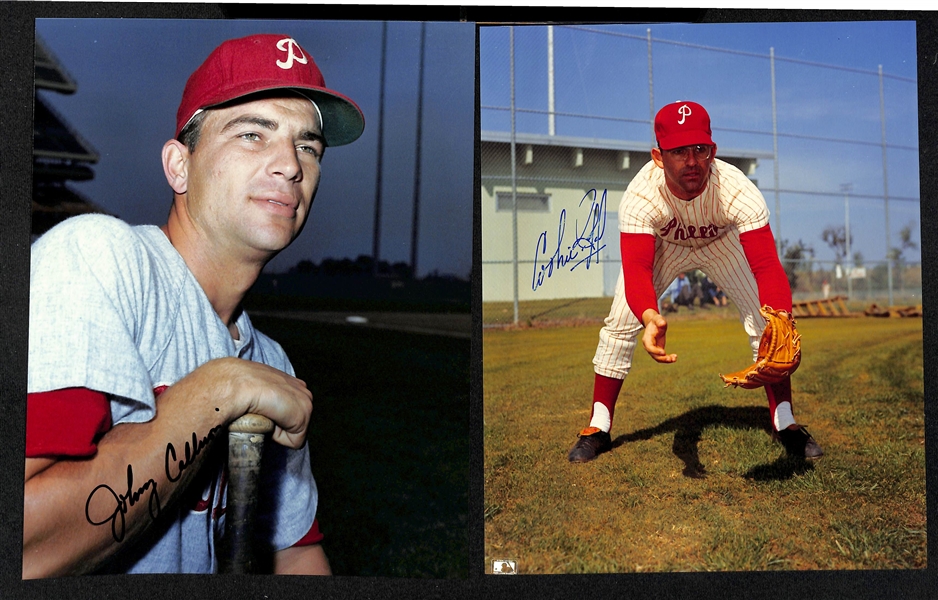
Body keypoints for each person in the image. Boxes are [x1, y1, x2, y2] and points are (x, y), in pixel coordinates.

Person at [23, 34, 364, 577]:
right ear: (179, 165)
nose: (290, 165)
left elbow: (293, 551)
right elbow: (24, 548)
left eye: (309, 147)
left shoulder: (270, 364)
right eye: (253, 134)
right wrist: (219, 391)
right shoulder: (101, 259)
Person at [567, 100, 822, 464]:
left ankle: (786, 423)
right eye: (678, 151)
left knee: (768, 323)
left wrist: (781, 316)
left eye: (700, 149)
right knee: (621, 321)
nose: (691, 161)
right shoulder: (640, 195)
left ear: (713, 151)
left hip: (722, 245)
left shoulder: (736, 189)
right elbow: (637, 268)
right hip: (666, 247)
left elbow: (766, 264)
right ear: (658, 156)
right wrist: (650, 315)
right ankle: (598, 425)